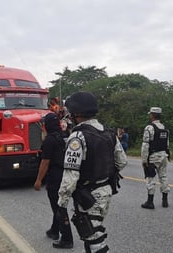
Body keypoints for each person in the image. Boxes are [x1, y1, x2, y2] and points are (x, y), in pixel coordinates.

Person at [57, 91, 127, 253]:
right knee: (93, 235)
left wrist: (62, 203)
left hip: (88, 196)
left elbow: (70, 175)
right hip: (106, 191)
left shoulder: (77, 137)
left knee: (94, 239)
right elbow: (122, 162)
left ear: (77, 113)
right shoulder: (109, 132)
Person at [34, 112, 74, 249]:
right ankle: (54, 230)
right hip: (66, 173)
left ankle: (67, 238)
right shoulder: (64, 136)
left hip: (56, 175)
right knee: (57, 203)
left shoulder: (50, 140)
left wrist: (38, 180)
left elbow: (45, 162)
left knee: (58, 206)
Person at [141, 107, 170, 209]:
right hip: (164, 156)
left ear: (152, 115)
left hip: (153, 157)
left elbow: (145, 145)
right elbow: (167, 144)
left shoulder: (149, 128)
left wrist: (144, 160)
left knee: (151, 178)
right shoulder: (164, 128)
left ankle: (150, 201)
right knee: (164, 177)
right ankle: (165, 200)